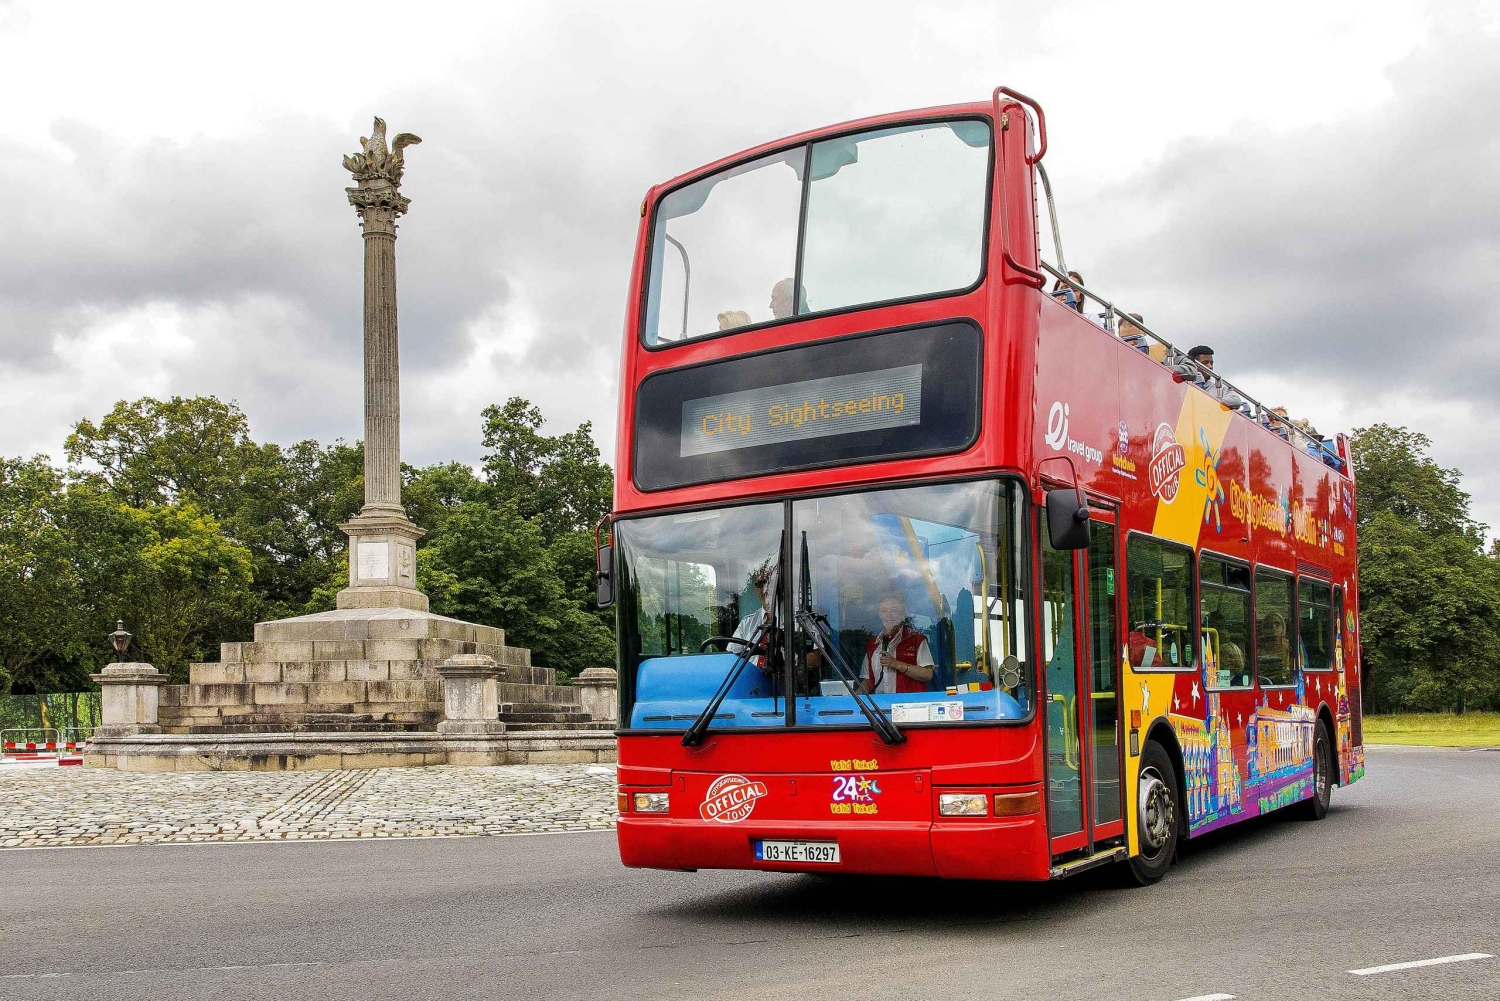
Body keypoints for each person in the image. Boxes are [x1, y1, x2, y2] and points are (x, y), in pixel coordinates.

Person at [860, 592, 935, 694]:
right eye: (884, 611)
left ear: (903, 614)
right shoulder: (872, 644)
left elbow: (928, 674)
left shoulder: (916, 640)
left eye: (894, 610)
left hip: (908, 706)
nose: (889, 615)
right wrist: (849, 701)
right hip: (879, 706)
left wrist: (896, 664)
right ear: (879, 614)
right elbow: (867, 681)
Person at [732, 560, 776, 671]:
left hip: (785, 682)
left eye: (769, 583)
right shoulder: (747, 623)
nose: (765, 589)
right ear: (756, 589)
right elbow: (731, 656)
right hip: (751, 681)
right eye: (760, 584)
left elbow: (815, 658)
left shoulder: (798, 619)